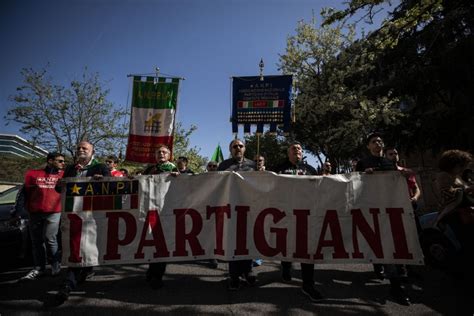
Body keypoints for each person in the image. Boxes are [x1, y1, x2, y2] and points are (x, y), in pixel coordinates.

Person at [356, 133, 411, 306]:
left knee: (392, 247)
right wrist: (364, 175)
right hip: (372, 210)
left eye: (380, 140)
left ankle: (396, 286)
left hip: (391, 210)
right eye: (373, 141)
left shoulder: (391, 164)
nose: (377, 143)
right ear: (368, 146)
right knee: (378, 243)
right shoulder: (363, 163)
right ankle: (379, 266)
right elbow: (354, 184)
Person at [54, 141, 111, 304]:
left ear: (92, 151)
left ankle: (86, 270)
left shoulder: (100, 167)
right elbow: (61, 190)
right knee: (76, 248)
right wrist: (60, 184)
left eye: (84, 148)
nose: (80, 150)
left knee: (88, 247)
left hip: (94, 216)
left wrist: (103, 181)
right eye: (78, 148)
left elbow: (114, 187)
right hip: (75, 216)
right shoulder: (71, 169)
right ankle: (67, 285)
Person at [273, 141, 323, 302]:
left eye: (300, 149)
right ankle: (286, 266)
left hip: (306, 214)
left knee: (306, 248)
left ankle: (308, 285)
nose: (297, 151)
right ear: (288, 153)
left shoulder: (310, 170)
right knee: (286, 243)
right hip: (284, 213)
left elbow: (320, 189)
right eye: (293, 149)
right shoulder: (278, 169)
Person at [217, 139, 257, 290]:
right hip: (230, 210)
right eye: (235, 146)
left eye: (240, 146)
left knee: (247, 240)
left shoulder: (253, 165)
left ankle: (248, 270)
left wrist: (262, 172)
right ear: (230, 149)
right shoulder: (223, 165)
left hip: (249, 209)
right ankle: (234, 275)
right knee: (232, 242)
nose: (238, 148)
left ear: (245, 148)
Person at [19, 152, 65, 281]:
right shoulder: (33, 174)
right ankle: (39, 268)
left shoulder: (64, 175)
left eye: (63, 161)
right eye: (60, 161)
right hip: (34, 213)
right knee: (36, 242)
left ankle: (55, 264)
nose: (63, 163)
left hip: (54, 212)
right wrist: (19, 210)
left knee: (50, 238)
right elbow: (23, 193)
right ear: (50, 161)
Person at [143, 144, 179, 289]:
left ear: (169, 155)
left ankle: (157, 275)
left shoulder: (173, 169)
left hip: (167, 211)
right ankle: (152, 270)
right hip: (150, 210)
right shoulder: (149, 169)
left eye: (164, 152)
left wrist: (179, 178)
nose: (161, 154)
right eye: (158, 152)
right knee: (151, 242)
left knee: (162, 244)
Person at [435, 150, 473, 250]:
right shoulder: (443, 176)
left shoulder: (455, 176)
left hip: (464, 213)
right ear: (453, 164)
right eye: (461, 165)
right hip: (454, 215)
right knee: (466, 241)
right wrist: (467, 189)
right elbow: (446, 194)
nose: (463, 168)